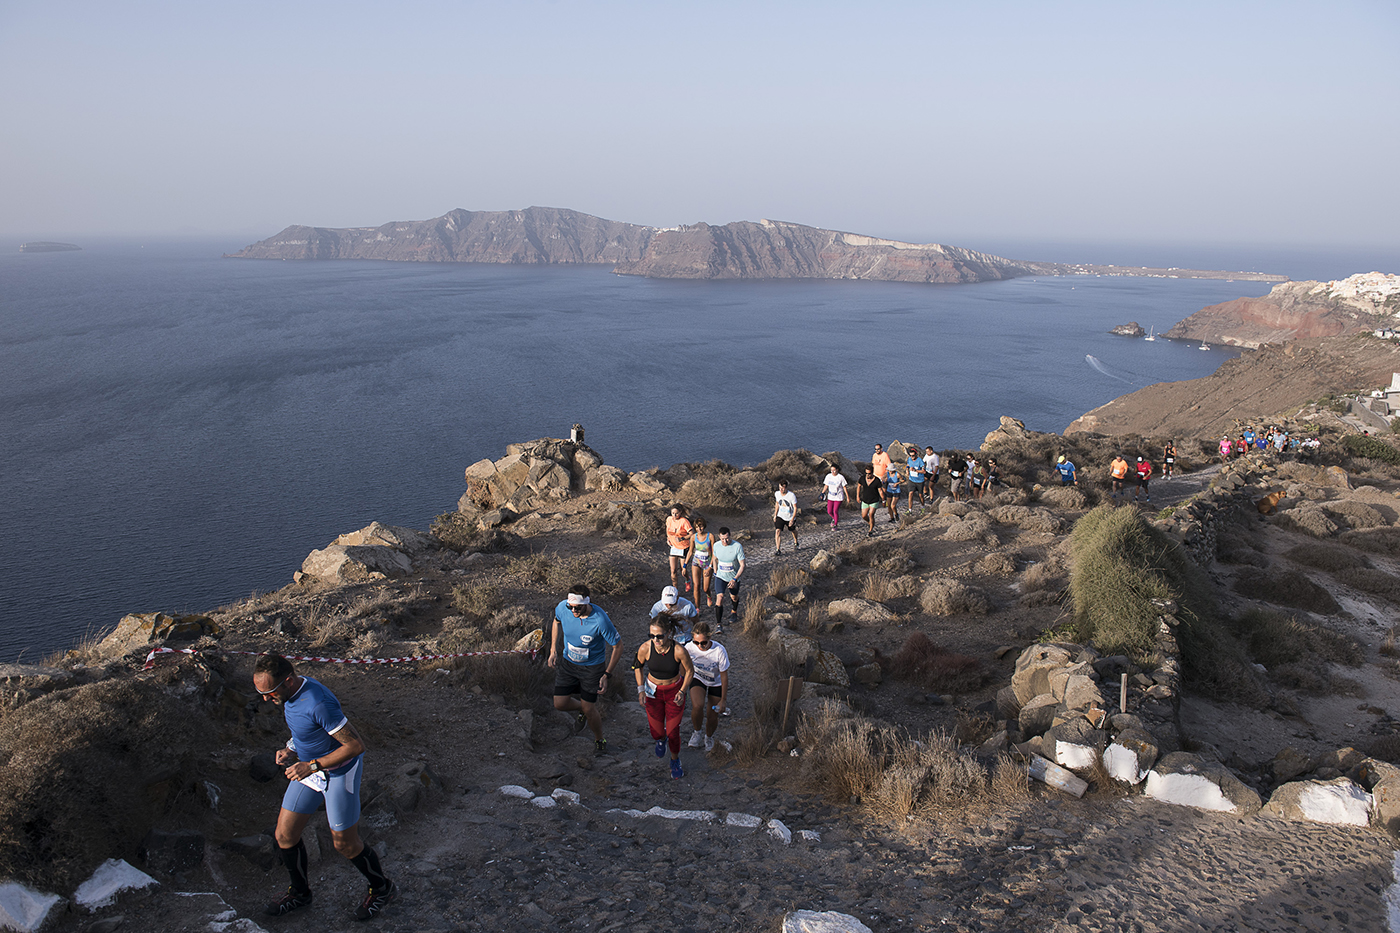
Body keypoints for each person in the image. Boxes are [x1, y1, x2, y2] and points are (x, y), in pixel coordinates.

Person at [253, 653, 396, 920]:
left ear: (288, 680)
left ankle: (382, 889)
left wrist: (311, 766)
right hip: (311, 767)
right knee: (284, 835)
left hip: (338, 772)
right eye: (261, 693)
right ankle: (300, 893)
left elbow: (355, 746)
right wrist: (291, 749)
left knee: (345, 844)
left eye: (270, 693)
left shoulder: (319, 702)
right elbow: (306, 730)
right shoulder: (290, 695)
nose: (265, 699)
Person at [549, 584, 624, 754]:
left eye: (578, 607)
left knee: (590, 708)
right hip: (568, 664)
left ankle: (600, 740)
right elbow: (556, 621)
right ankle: (580, 709)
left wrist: (607, 674)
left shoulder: (600, 619)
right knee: (559, 704)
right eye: (571, 607)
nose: (574, 611)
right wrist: (554, 649)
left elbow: (618, 646)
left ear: (587, 603)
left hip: (592, 668)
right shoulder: (563, 608)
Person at [634, 616, 693, 780]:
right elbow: (637, 666)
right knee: (656, 732)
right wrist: (640, 690)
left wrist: (682, 691)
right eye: (651, 636)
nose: (655, 639)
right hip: (653, 693)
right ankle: (660, 739)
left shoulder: (679, 650)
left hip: (674, 692)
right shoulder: (645, 648)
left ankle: (675, 760)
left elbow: (690, 671)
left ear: (668, 633)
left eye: (659, 636)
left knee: (673, 732)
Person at [685, 620, 729, 753]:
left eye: (703, 642)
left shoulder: (719, 650)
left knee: (712, 715)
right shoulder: (689, 647)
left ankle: (709, 737)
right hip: (698, 678)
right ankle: (697, 732)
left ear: (710, 638)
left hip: (716, 682)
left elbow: (724, 676)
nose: (700, 646)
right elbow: (684, 666)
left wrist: (723, 700)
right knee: (697, 706)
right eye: (696, 642)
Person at [712, 527, 745, 628]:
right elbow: (714, 558)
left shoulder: (737, 546)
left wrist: (735, 579)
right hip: (720, 576)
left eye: (726, 538)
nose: (725, 541)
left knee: (734, 597)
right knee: (720, 597)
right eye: (722, 539)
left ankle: (734, 611)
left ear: (730, 535)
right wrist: (715, 571)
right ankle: (718, 624)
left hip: (733, 578)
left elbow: (742, 565)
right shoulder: (716, 546)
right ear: (719, 537)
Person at [665, 505, 693, 593]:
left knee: (682, 570)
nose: (674, 515)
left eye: (676, 513)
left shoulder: (684, 521)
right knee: (673, 570)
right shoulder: (669, 519)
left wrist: (682, 538)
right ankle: (675, 589)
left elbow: (691, 534)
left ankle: (687, 580)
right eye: (673, 513)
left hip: (683, 547)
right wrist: (668, 538)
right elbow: (667, 528)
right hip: (673, 547)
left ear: (680, 512)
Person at [690, 516, 716, 608]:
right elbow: (690, 551)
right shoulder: (693, 537)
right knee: (696, 586)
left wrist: (710, 567)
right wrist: (684, 565)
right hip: (696, 562)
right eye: (697, 527)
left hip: (707, 563)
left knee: (705, 588)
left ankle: (709, 595)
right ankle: (697, 608)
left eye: (700, 526)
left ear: (704, 526)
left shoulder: (711, 536)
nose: (699, 529)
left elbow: (714, 553)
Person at [856, 466, 884, 536]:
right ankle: (871, 523)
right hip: (865, 500)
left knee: (871, 514)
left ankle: (870, 530)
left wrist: (883, 500)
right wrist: (857, 496)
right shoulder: (862, 478)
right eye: (866, 473)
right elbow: (859, 486)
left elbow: (880, 491)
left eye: (869, 473)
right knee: (864, 516)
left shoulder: (877, 480)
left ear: (872, 473)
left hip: (874, 500)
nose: (868, 475)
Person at [772, 480, 799, 554]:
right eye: (779, 488)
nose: (781, 490)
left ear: (786, 488)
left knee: (793, 530)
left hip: (789, 517)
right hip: (780, 516)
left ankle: (796, 541)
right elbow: (777, 504)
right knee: (777, 531)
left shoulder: (791, 495)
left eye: (782, 488)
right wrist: (775, 515)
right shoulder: (777, 494)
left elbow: (795, 508)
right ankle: (778, 550)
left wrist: (792, 519)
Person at [821, 463, 850, 529]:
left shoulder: (841, 477)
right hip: (831, 496)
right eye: (831, 470)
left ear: (837, 470)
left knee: (835, 511)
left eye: (834, 470)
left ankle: (835, 525)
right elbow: (826, 485)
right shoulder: (828, 476)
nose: (832, 472)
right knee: (829, 511)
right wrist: (822, 493)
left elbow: (844, 487)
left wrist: (847, 497)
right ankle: (834, 519)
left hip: (838, 497)